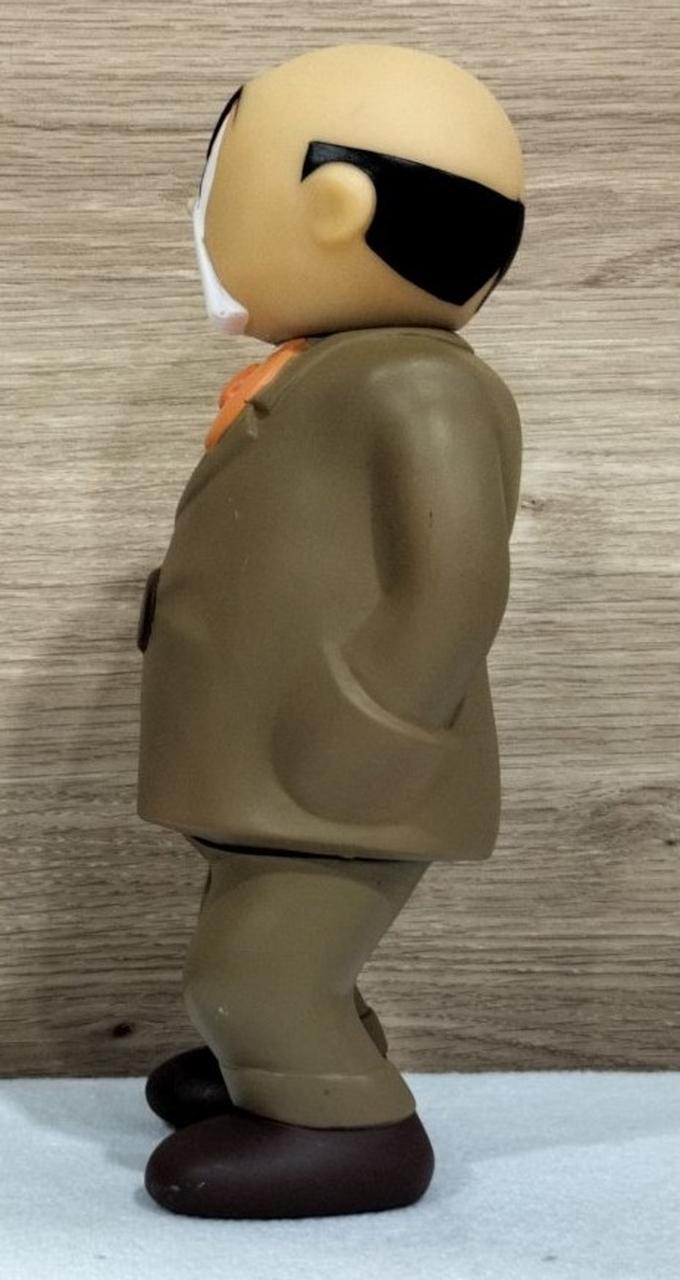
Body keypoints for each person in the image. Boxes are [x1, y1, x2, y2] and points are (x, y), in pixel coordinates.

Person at [137, 42, 525, 1218]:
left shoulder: (419, 384)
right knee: (260, 925)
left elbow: (455, 579)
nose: (200, 227)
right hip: (266, 757)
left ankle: (344, 1123)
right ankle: (285, 1055)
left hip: (338, 762)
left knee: (248, 967)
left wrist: (372, 727)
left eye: (215, 193)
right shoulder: (327, 374)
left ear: (331, 206)